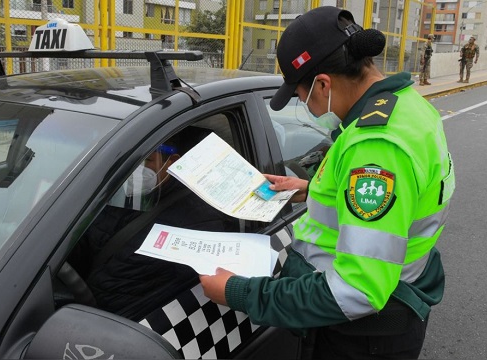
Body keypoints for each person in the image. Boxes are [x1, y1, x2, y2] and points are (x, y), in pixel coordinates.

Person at [199, 6, 454, 359]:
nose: (305, 105)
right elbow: (405, 200)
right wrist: (308, 189)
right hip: (393, 302)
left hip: (363, 337)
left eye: (300, 95)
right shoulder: (407, 106)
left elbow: (356, 290)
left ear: (323, 83)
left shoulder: (376, 147)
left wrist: (240, 293)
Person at [69, 127, 237, 319]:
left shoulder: (198, 218)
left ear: (172, 163)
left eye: (146, 161)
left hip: (127, 323)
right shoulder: (111, 194)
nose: (135, 169)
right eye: (130, 161)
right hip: (78, 306)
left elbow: (186, 292)